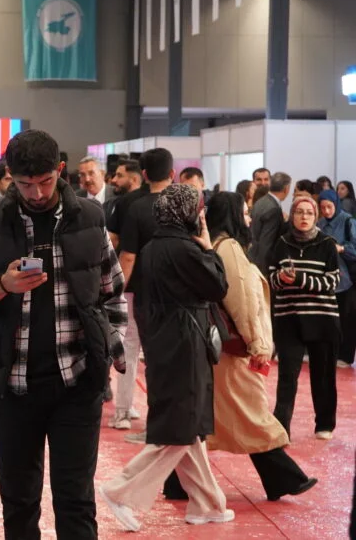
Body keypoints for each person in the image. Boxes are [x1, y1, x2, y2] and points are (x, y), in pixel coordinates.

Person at [0, 130, 127, 539]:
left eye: (45, 182)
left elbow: (113, 295)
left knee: (76, 502)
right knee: (18, 502)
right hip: (13, 388)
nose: (35, 193)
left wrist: (110, 349)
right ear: (9, 178)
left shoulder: (90, 218)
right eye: (24, 184)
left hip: (77, 384)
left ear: (60, 171)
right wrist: (1, 287)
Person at [100, 184, 232, 533]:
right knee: (181, 428)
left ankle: (208, 503)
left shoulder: (153, 247)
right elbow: (218, 285)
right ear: (188, 212)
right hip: (184, 344)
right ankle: (121, 490)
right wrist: (208, 247)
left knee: (187, 428)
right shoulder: (184, 249)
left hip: (165, 341)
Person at [204, 192, 318, 502]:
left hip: (224, 352)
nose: (249, 218)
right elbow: (242, 301)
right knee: (251, 414)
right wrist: (257, 343)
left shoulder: (216, 245)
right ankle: (284, 477)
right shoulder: (229, 248)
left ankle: (178, 482)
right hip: (236, 351)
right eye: (244, 212)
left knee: (212, 422)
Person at [112, 148, 175, 433]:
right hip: (174, 292)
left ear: (144, 174)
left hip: (137, 290)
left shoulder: (133, 206)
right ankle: (162, 416)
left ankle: (123, 411)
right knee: (164, 354)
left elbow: (127, 255)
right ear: (172, 173)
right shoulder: (185, 203)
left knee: (130, 347)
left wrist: (115, 290)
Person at [268, 195, 341, 440]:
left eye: (309, 213)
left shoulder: (327, 243)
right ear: (292, 215)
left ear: (316, 216)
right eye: (299, 212)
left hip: (322, 318)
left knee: (323, 375)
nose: (304, 217)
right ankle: (281, 428)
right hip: (289, 318)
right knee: (287, 376)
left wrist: (299, 280)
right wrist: (282, 278)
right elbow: (271, 278)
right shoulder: (281, 243)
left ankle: (325, 424)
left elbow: (333, 281)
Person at [317, 189, 356, 368]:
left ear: (336, 204)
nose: (326, 211)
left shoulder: (348, 221)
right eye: (322, 207)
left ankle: (346, 355)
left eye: (329, 207)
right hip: (327, 279)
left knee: (347, 319)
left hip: (347, 280)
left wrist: (341, 249)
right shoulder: (320, 223)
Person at [250, 172, 292, 276]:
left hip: (252, 258)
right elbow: (267, 244)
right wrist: (265, 274)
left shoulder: (260, 201)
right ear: (286, 189)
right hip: (263, 266)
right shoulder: (273, 209)